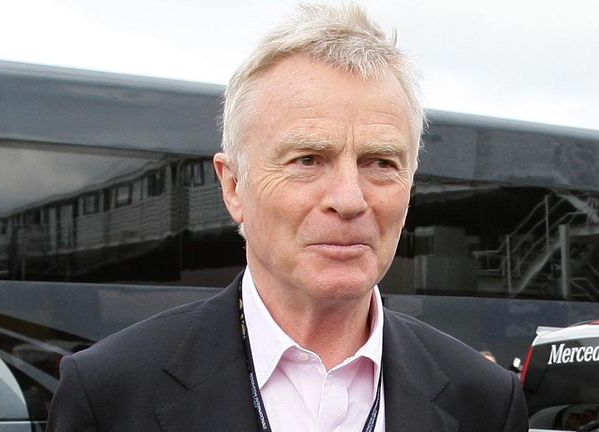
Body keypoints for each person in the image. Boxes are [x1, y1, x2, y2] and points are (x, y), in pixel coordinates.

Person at [47, 4, 528, 431]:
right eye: (308, 160)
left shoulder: (484, 402)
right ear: (233, 186)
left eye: (380, 163)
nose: (349, 198)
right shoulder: (111, 394)